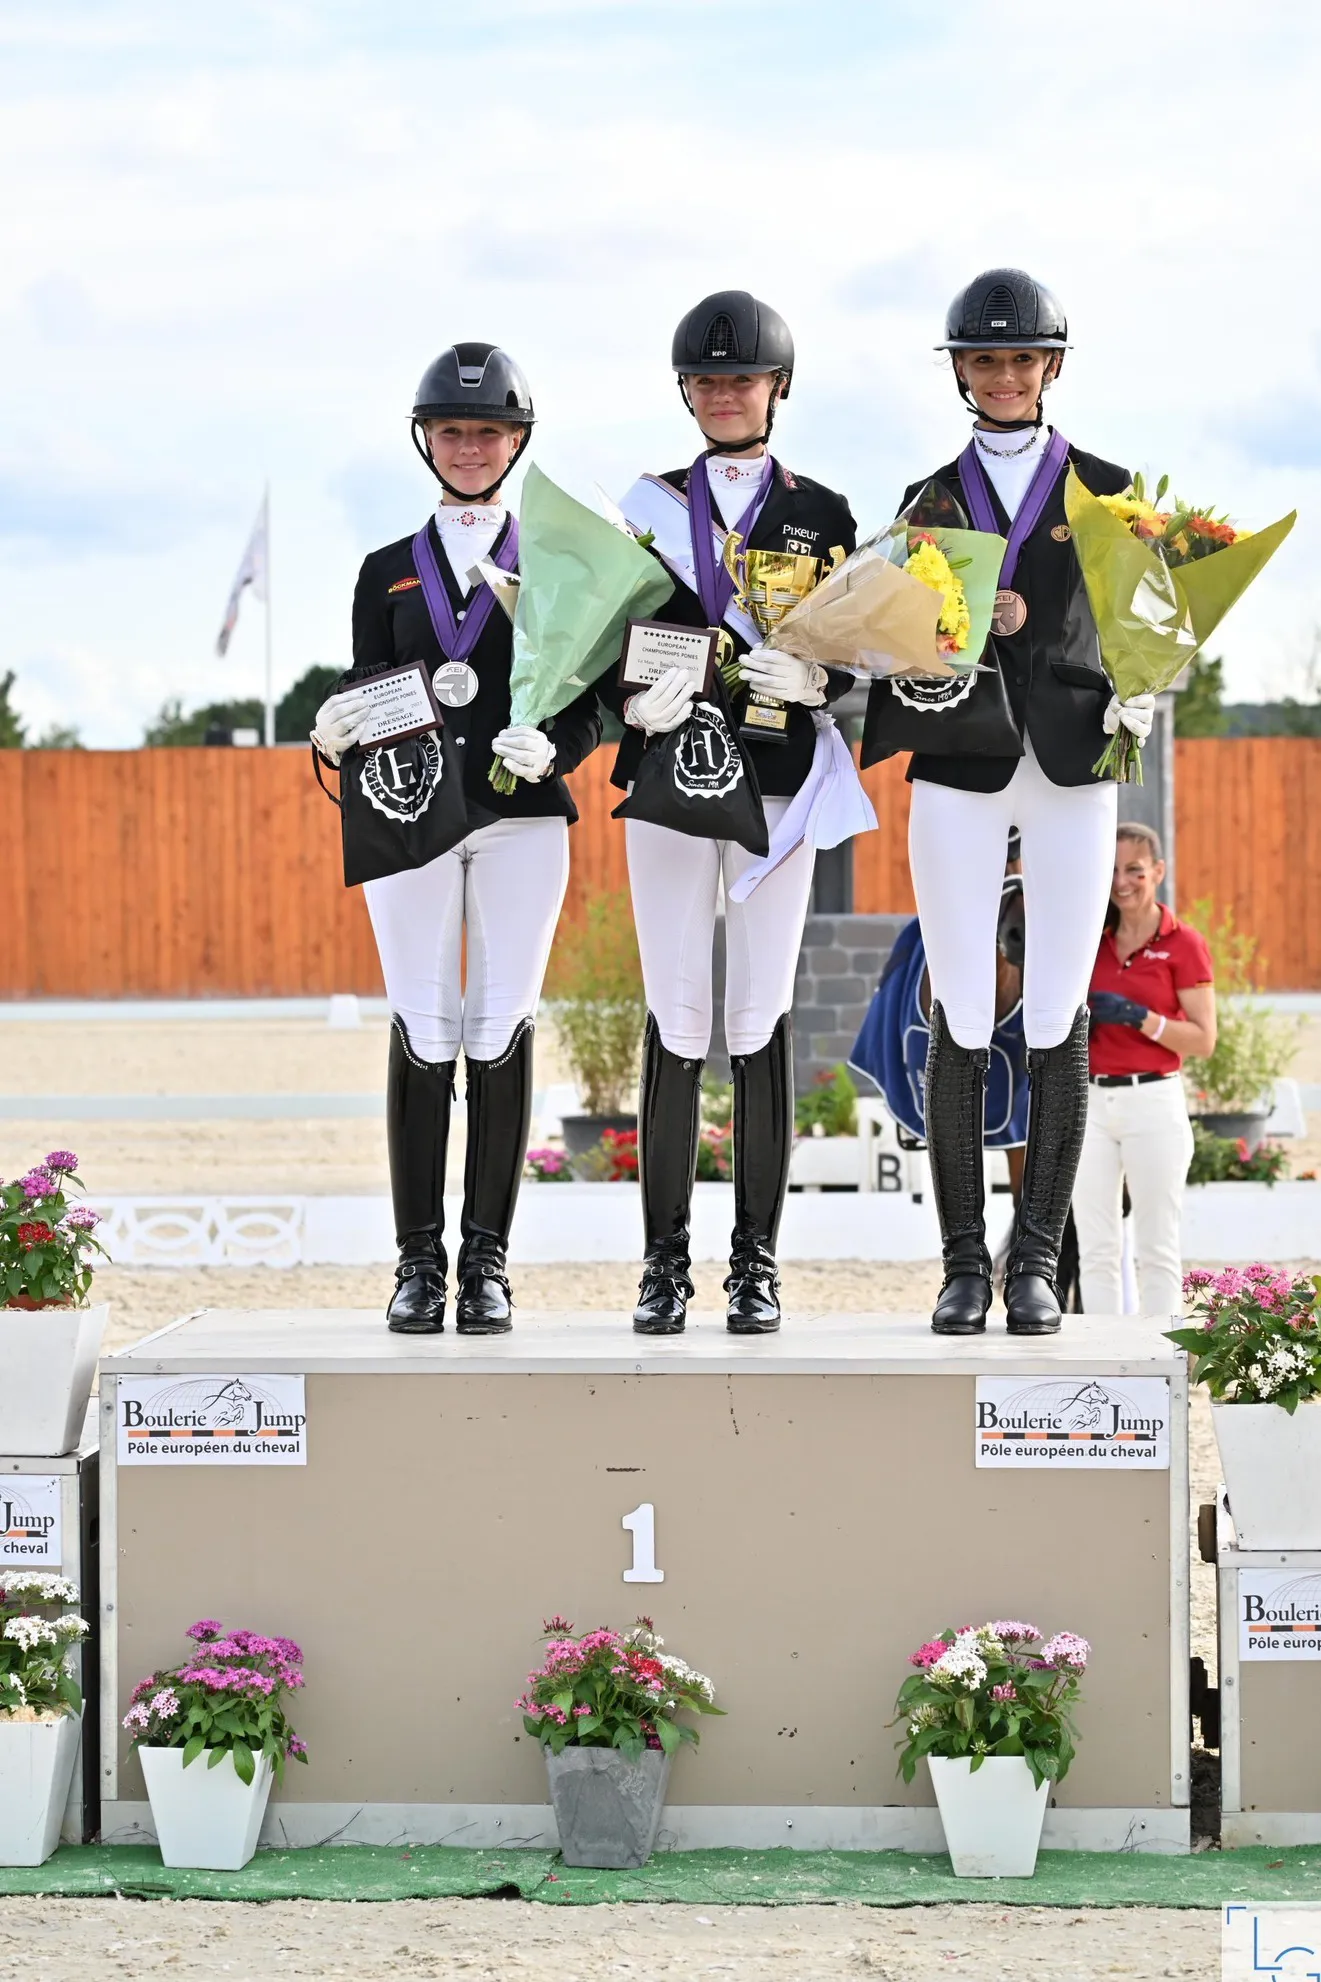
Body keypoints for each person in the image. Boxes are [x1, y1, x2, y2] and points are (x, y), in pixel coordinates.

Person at [861, 267, 1157, 1336]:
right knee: (960, 1006)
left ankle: (1034, 1258)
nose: (1002, 374)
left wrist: (1147, 678)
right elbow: (897, 635)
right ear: (961, 375)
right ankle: (958, 1264)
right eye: (982, 360)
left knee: (1058, 1008)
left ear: (1050, 367)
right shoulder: (926, 502)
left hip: (1074, 761)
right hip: (960, 761)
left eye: (1019, 358)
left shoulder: (1113, 489)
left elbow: (1141, 622)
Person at [311, 344, 601, 1336]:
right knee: (424, 1022)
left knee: (500, 1022)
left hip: (522, 816)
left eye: (487, 432)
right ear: (425, 440)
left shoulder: (558, 564)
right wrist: (334, 720)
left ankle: (486, 1263)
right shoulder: (386, 571)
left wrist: (556, 744)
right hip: (415, 816)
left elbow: (593, 699)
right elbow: (367, 679)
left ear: (516, 440)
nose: (469, 447)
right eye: (453, 431)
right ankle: (415, 1262)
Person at [606, 289, 863, 1337]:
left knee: (755, 1016)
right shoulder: (643, 508)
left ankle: (754, 1263)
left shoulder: (825, 514)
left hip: (774, 777)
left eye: (741, 378)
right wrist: (632, 694)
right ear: (686, 393)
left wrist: (822, 686)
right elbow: (599, 642)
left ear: (776, 388)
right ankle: (662, 1265)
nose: (724, 393)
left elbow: (856, 651)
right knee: (675, 1014)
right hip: (669, 778)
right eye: (707, 381)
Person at [1073, 822, 1216, 1317]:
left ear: (1157, 871)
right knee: (1096, 1248)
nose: (1121, 882)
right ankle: (1102, 1361)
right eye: (1111, 870)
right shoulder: (1091, 940)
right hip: (1090, 1103)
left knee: (1156, 1246)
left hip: (1154, 1101)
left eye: (1134, 869)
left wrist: (1142, 1019)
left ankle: (1158, 1364)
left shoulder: (1183, 943)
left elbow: (1203, 1038)